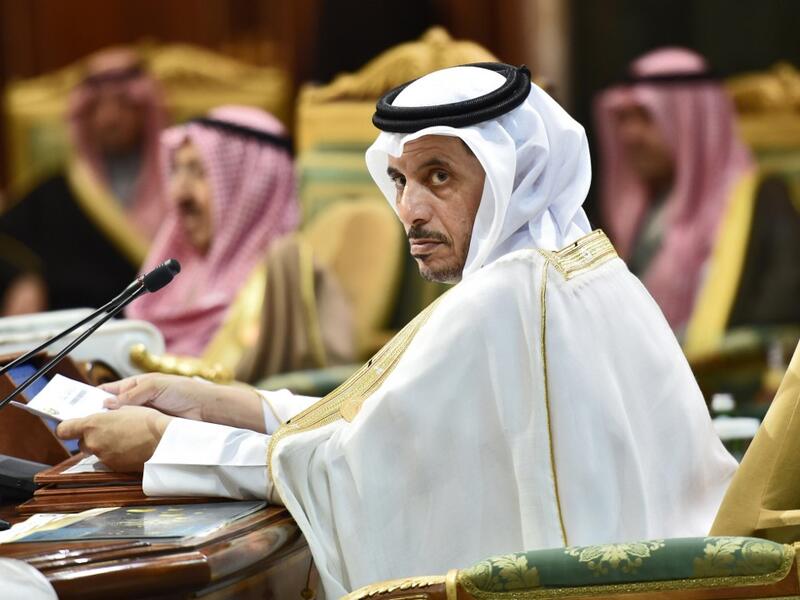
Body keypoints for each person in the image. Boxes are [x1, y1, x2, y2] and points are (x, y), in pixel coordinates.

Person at [58, 63, 736, 598]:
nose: (409, 209)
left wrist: (167, 444)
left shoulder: (502, 298)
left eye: (439, 177)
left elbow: (357, 472)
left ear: (515, 177)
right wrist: (226, 403)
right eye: (399, 179)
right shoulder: (585, 266)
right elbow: (395, 424)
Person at [595, 47, 800, 350]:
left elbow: (776, 322)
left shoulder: (761, 200)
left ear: (689, 119)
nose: (629, 135)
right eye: (624, 119)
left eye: (646, 117)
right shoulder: (642, 212)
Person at [0, 47, 167, 314]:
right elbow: (7, 242)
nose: (110, 118)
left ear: (145, 111)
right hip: (75, 328)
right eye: (97, 107)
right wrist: (21, 279)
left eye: (123, 104)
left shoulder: (182, 187)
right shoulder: (54, 193)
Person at [125, 106, 299, 356]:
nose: (179, 194)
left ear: (250, 185)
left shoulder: (277, 285)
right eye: (176, 170)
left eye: (199, 172)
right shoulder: (183, 273)